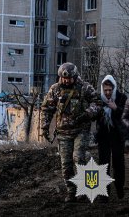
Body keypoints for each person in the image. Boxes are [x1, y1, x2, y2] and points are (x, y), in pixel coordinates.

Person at [41, 62, 101, 202]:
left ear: (75, 76)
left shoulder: (85, 88)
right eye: (64, 78)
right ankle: (71, 191)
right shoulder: (55, 89)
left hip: (81, 130)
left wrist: (87, 113)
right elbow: (47, 109)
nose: (66, 81)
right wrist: (44, 127)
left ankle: (87, 188)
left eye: (69, 78)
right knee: (66, 164)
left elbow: (97, 103)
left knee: (79, 157)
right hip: (63, 132)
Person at [96, 74, 127, 199]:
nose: (108, 93)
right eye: (105, 90)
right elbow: (94, 116)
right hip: (103, 135)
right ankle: (104, 193)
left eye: (110, 90)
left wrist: (115, 108)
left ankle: (119, 189)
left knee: (118, 163)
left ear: (114, 88)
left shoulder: (121, 97)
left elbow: (126, 114)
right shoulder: (99, 99)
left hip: (117, 135)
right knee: (103, 164)